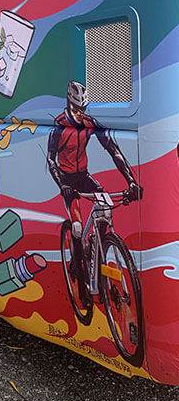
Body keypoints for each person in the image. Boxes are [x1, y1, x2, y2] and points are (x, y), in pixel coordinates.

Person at [47, 81, 143, 279]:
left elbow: (113, 150)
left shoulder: (89, 124)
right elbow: (50, 159)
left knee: (105, 208)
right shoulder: (59, 127)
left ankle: (98, 246)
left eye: (82, 109)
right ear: (68, 104)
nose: (80, 114)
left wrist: (131, 181)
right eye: (76, 109)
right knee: (76, 227)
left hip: (84, 176)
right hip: (67, 180)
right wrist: (62, 185)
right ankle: (77, 266)